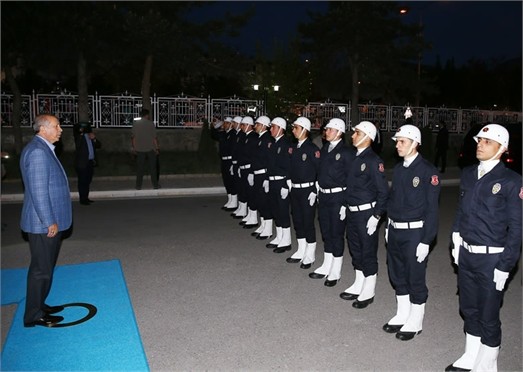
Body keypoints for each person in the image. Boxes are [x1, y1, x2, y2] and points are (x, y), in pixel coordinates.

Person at [446, 124, 522, 372]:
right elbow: (461, 210)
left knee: (488, 313)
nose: (480, 144)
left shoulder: (512, 181)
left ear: (502, 149)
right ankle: (471, 354)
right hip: (467, 254)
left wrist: (505, 265)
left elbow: (517, 228)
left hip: (493, 258)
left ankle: (488, 364)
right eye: (480, 140)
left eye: (488, 142)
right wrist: (456, 239)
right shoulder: (468, 173)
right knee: (468, 307)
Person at [382, 124, 440, 341]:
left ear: (415, 143)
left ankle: (416, 321)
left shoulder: (427, 172)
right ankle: (402, 314)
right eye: (397, 141)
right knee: (397, 273)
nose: (397, 145)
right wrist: (388, 226)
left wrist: (427, 240)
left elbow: (432, 209)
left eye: (402, 141)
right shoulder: (398, 170)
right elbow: (393, 201)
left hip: (415, 233)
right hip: (396, 230)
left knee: (414, 276)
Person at [20, 114, 72, 327]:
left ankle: (40, 305)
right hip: (43, 224)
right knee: (41, 269)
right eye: (56, 126)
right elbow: (39, 192)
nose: (60, 130)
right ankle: (33, 315)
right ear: (43, 129)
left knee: (45, 267)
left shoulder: (41, 149)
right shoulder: (38, 153)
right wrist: (49, 221)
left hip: (46, 221)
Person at [340, 121, 389, 309]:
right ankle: (358, 283)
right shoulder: (355, 158)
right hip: (353, 212)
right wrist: (345, 204)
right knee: (355, 248)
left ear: (367, 137)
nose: (352, 136)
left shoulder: (373, 161)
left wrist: (376, 216)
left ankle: (369, 289)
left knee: (367, 251)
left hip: (366, 214)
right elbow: (352, 187)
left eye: (357, 133)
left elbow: (383, 191)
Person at [309, 118, 353, 286]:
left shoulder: (347, 153)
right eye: (326, 129)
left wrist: (345, 203)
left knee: (336, 233)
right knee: (326, 231)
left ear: (339, 132)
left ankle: (336, 269)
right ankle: (327, 265)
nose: (325, 132)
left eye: (329, 130)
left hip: (338, 197)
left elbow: (351, 180)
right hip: (325, 196)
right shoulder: (326, 148)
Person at [286, 116, 321, 269]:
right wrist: (288, 182)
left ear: (304, 130)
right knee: (298, 220)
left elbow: (319, 171)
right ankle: (301, 250)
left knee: (307, 222)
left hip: (308, 190)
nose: (293, 130)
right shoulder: (295, 148)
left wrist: (315, 190)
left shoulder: (312, 149)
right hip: (295, 189)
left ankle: (310, 253)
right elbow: (290, 168)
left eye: (296, 128)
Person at [266, 117, 292, 253]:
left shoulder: (286, 144)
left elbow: (288, 165)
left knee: (283, 211)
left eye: (273, 127)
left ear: (281, 129)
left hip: (281, 181)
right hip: (272, 180)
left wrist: (286, 184)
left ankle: (286, 240)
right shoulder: (274, 143)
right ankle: (279, 236)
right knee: (275, 209)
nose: (271, 129)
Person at [250, 115, 274, 239]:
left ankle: (268, 228)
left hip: (263, 174)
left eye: (258, 124)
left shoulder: (267, 140)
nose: (256, 126)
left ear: (264, 125)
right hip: (258, 173)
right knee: (259, 200)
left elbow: (269, 160)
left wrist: (267, 177)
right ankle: (263, 224)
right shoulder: (260, 138)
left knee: (265, 202)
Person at [132, 108, 159, 190]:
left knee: (140, 168)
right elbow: (154, 138)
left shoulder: (136, 124)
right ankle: (155, 185)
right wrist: (157, 148)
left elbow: (133, 138)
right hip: (150, 148)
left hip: (139, 149)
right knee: (153, 168)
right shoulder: (151, 124)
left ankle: (138, 186)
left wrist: (134, 148)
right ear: (147, 115)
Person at [74, 122, 100, 205]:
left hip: (90, 162)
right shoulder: (79, 137)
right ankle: (83, 199)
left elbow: (99, 145)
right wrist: (81, 133)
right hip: (82, 163)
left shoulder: (90, 136)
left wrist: (94, 138)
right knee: (82, 181)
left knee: (88, 180)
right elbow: (78, 144)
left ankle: (86, 197)